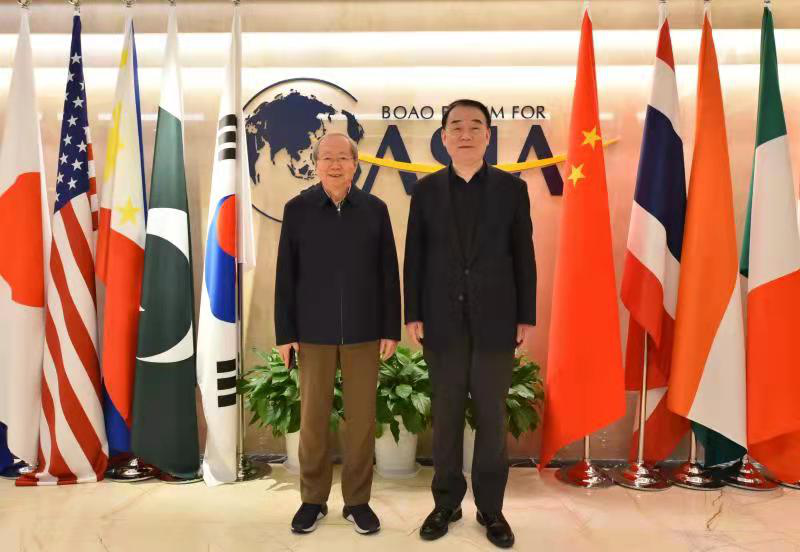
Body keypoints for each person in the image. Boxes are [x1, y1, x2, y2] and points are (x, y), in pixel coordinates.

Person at [404, 99, 537, 549]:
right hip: (441, 321)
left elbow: (523, 254)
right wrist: (413, 312)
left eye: (475, 126)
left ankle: (491, 508)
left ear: (488, 136)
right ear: (443, 137)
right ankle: (446, 503)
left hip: (497, 320)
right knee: (445, 416)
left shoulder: (511, 189)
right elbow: (415, 256)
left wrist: (524, 314)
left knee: (492, 417)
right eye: (456, 126)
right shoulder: (425, 191)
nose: (465, 133)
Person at [274, 132, 401, 535]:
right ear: (316, 164)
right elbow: (285, 275)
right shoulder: (297, 209)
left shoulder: (375, 210)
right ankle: (312, 500)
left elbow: (388, 273)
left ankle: (357, 502)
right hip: (313, 332)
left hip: (365, 331)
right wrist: (285, 332)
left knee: (360, 421)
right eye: (326, 157)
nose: (334, 165)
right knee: (313, 420)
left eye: (342, 158)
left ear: (355, 163)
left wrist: (390, 328)